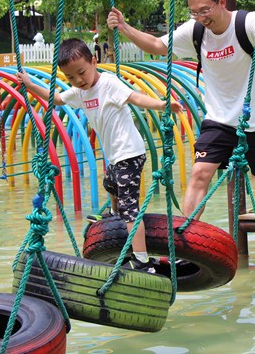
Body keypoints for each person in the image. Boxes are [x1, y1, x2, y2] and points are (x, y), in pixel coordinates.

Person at [107, 0, 255, 246]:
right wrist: (125, 27)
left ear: (222, 2)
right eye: (194, 12)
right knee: (199, 173)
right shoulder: (195, 31)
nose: (200, 17)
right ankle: (186, 238)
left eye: (205, 10)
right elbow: (158, 46)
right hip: (219, 119)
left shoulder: (246, 23)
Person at [16, 38, 184, 272]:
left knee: (130, 209)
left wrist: (162, 104)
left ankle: (143, 260)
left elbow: (135, 97)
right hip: (115, 156)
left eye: (82, 73)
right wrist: (29, 84)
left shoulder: (109, 83)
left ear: (94, 62)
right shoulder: (79, 92)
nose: (79, 81)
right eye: (71, 78)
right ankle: (115, 217)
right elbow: (55, 99)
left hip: (130, 153)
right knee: (109, 184)